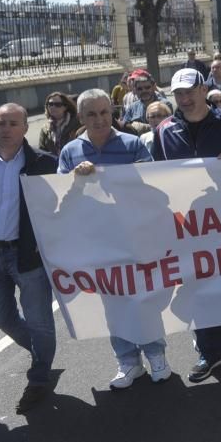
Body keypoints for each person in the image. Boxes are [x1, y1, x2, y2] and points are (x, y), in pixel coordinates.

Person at [152, 69, 221, 382]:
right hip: (188, 224)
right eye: (178, 94)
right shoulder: (164, 130)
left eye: (189, 92)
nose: (184, 99)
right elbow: (158, 177)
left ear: (203, 90)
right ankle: (211, 353)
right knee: (195, 285)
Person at [57, 89, 166, 388]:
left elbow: (150, 183)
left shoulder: (131, 144)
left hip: (135, 237)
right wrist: (76, 181)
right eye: (91, 114)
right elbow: (60, 197)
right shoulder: (70, 152)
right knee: (114, 302)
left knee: (144, 298)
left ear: (112, 112)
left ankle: (156, 355)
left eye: (104, 112)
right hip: (98, 241)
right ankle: (128, 362)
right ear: (80, 117)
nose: (99, 119)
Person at [0, 104, 58, 413]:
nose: (5, 128)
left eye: (12, 123)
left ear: (25, 128)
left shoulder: (44, 164)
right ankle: (40, 355)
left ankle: (40, 377)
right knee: (0, 316)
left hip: (27, 256)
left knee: (40, 321)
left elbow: (66, 202)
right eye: (0, 123)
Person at [38, 92, 80, 156]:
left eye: (58, 105)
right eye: (50, 104)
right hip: (54, 164)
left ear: (65, 107)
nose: (53, 107)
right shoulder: (45, 129)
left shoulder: (77, 124)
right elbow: (42, 151)